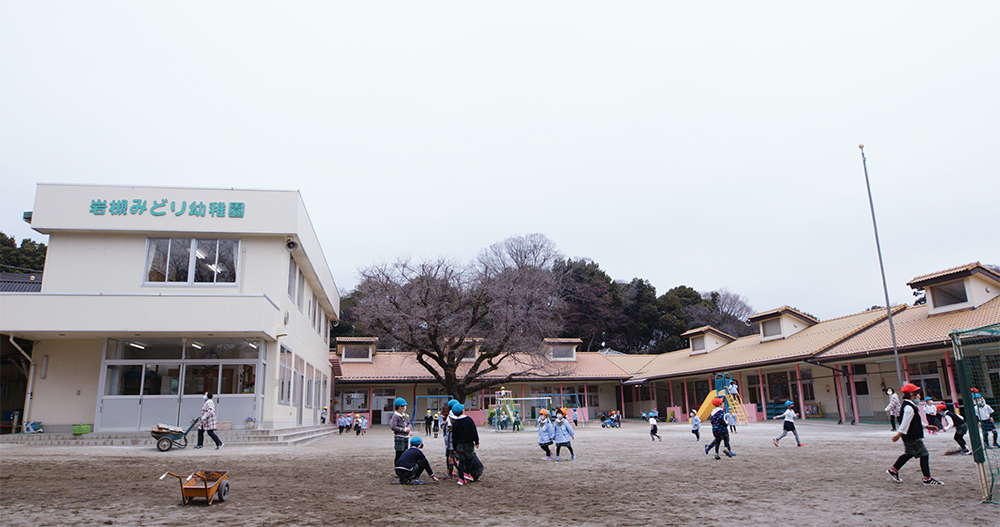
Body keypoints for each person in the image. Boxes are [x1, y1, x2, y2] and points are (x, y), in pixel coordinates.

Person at [887, 383, 942, 485]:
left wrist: (927, 426)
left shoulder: (909, 405)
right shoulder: (909, 407)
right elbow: (905, 423)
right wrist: (898, 434)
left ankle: (893, 470)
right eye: (918, 395)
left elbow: (914, 421)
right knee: (924, 454)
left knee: (909, 453)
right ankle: (927, 479)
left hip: (909, 435)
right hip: (912, 435)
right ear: (912, 395)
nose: (919, 397)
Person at [450, 403, 480, 485]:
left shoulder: (455, 423)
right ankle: (466, 473)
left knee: (462, 461)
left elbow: (454, 437)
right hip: (469, 444)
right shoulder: (469, 420)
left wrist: (455, 448)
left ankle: (461, 479)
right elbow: (474, 431)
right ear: (462, 410)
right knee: (470, 458)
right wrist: (476, 441)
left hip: (459, 445)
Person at [389, 397, 412, 465]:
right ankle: (397, 468)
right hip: (399, 437)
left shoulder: (404, 415)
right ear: (399, 406)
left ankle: (403, 467)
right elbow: (393, 426)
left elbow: (409, 423)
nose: (405, 407)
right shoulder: (395, 416)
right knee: (399, 454)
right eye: (404, 406)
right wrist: (403, 429)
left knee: (405, 453)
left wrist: (408, 428)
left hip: (406, 437)